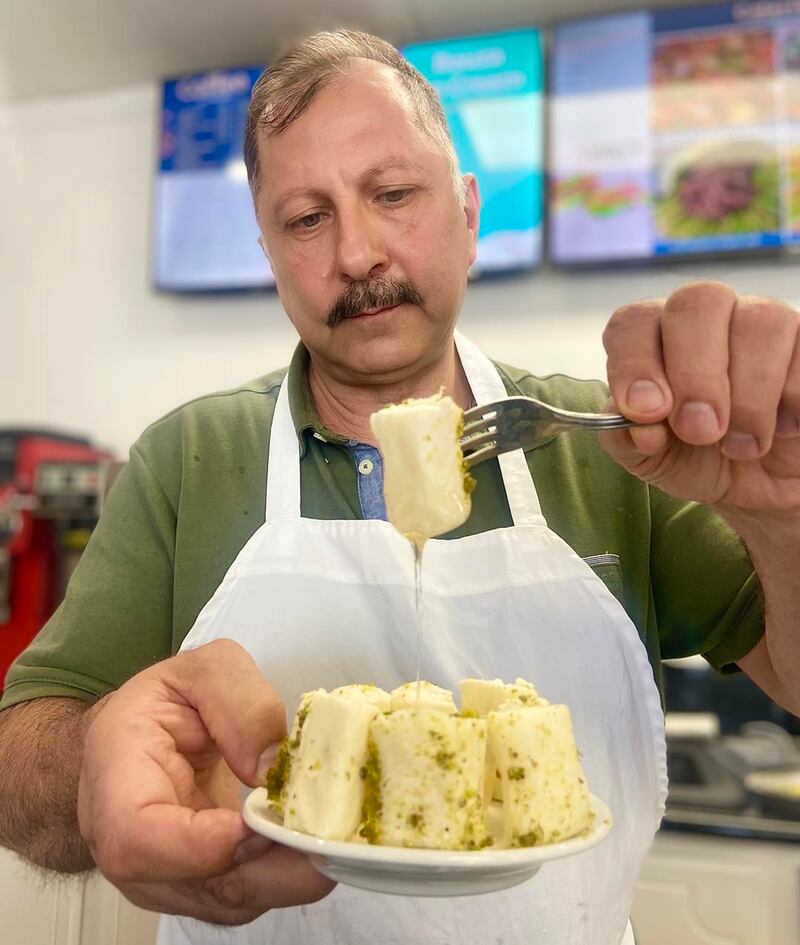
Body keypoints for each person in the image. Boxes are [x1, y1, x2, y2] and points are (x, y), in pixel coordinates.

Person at [1, 28, 798, 945]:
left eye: (392, 194)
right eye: (307, 218)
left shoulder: (610, 441)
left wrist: (784, 515)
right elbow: (20, 753)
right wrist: (88, 771)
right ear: (269, 252)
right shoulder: (190, 457)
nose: (357, 252)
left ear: (467, 210)